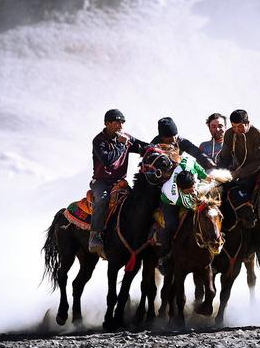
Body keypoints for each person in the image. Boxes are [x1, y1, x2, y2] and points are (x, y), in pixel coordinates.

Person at [89, 109, 149, 258]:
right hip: (101, 182)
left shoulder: (125, 138)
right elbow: (108, 161)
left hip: (119, 182)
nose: (120, 125)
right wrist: (122, 146)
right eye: (117, 122)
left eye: (122, 122)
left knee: (135, 202)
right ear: (107, 123)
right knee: (102, 200)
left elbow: (143, 146)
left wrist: (157, 148)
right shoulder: (98, 140)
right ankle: (94, 236)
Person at [156, 152, 211, 257]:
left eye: (193, 188)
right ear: (181, 189)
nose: (193, 191)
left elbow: (194, 163)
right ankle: (164, 254)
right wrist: (200, 200)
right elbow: (193, 205)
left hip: (183, 186)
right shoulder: (174, 195)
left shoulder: (186, 165)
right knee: (171, 225)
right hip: (168, 201)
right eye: (189, 191)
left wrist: (205, 176)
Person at [217, 109, 260, 203]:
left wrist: (238, 174)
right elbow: (225, 157)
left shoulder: (257, 135)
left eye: (240, 126)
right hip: (235, 172)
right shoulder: (229, 134)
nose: (237, 130)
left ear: (247, 123)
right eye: (234, 126)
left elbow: (259, 162)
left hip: (255, 173)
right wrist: (219, 174)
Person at [151, 117, 216, 171]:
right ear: (162, 137)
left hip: (175, 170)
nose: (174, 139)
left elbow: (197, 153)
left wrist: (208, 162)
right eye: (170, 138)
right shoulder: (155, 144)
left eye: (175, 135)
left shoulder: (180, 141)